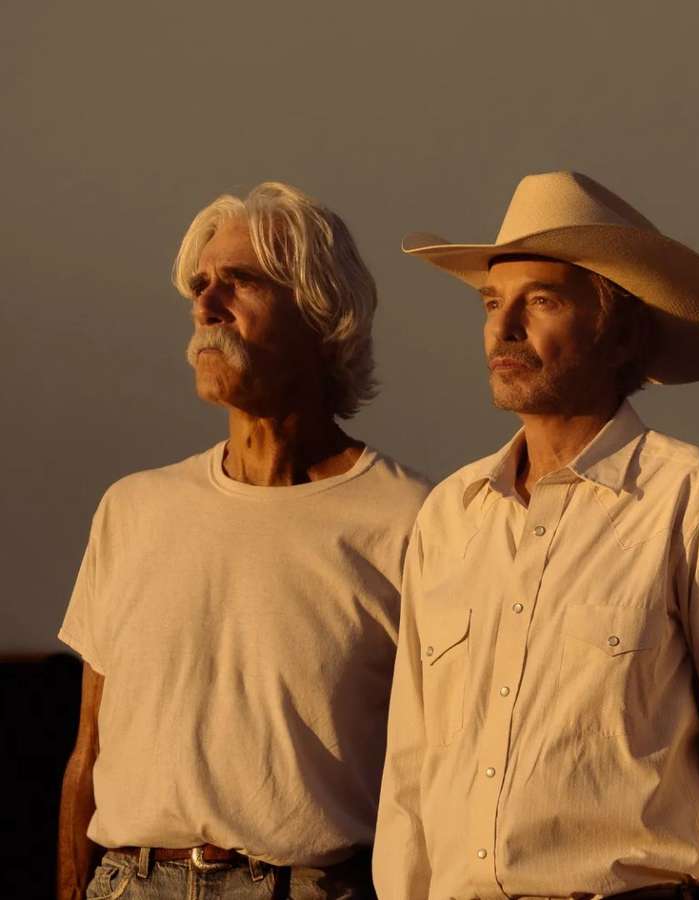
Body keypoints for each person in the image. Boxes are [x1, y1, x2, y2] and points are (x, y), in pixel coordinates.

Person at [373, 171, 699, 899]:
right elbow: (410, 766)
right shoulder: (449, 515)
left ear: (617, 331)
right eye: (492, 303)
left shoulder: (691, 499)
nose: (504, 329)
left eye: (541, 301)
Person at [57, 182, 429, 899]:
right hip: (127, 881)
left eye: (240, 281)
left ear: (322, 312)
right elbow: (87, 754)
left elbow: (438, 767)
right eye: (200, 286)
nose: (207, 305)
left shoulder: (413, 518)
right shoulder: (132, 509)